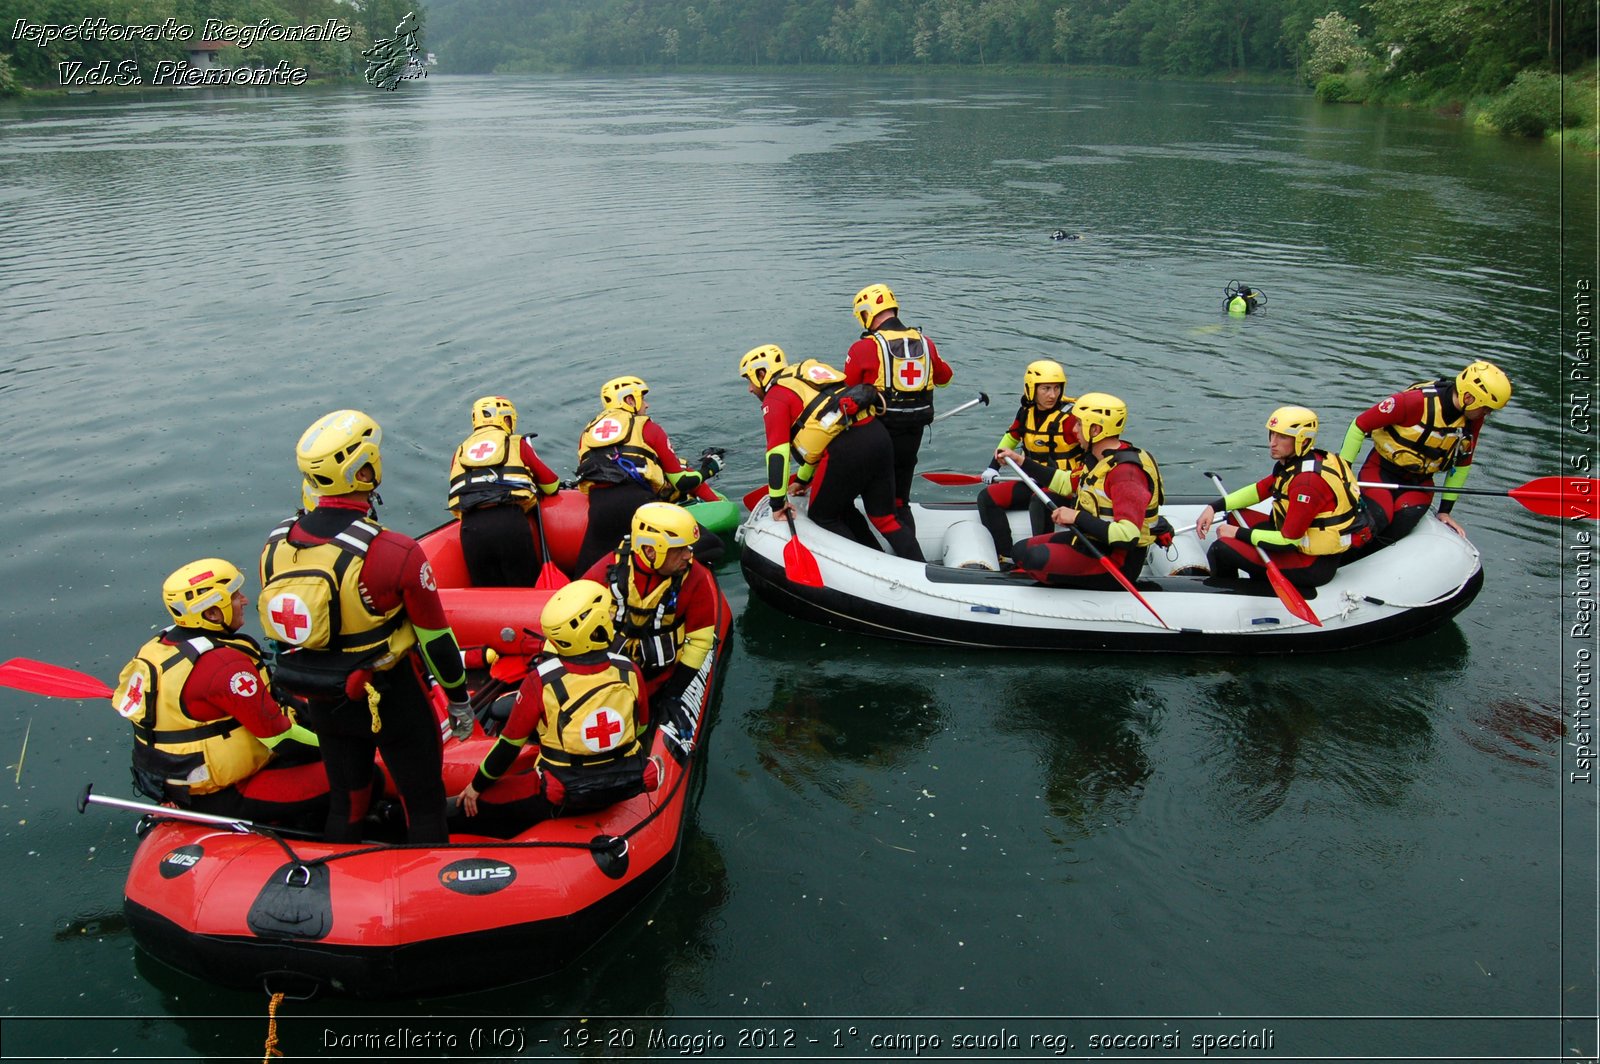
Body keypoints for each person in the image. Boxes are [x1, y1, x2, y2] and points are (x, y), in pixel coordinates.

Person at [259, 409, 473, 845]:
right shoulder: (394, 551)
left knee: (348, 798)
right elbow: (436, 639)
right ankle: (424, 893)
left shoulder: (275, 545)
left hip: (323, 699)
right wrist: (459, 701)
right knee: (425, 804)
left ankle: (335, 882)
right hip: (392, 698)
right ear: (364, 468)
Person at [111, 559, 328, 829]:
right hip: (222, 793)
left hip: (178, 783)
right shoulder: (223, 665)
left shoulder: (157, 648)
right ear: (213, 613)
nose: (245, 601)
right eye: (236, 596)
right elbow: (282, 738)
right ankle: (339, 838)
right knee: (363, 775)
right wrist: (342, 748)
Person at [452, 580, 654, 839]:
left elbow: (508, 747)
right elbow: (642, 728)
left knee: (467, 805)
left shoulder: (541, 680)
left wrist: (476, 786)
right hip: (623, 784)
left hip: (563, 791)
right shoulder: (629, 670)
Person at [739, 343, 924, 561]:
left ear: (762, 373)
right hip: (878, 437)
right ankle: (918, 567)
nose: (750, 388)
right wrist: (802, 479)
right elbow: (820, 434)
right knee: (885, 518)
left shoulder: (776, 397)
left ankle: (869, 567)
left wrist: (778, 503)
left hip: (846, 450)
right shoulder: (805, 377)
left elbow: (777, 453)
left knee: (823, 515)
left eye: (749, 379)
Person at [1194, 406, 1372, 588]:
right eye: (1272, 434)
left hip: (1311, 564)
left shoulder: (1307, 483)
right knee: (1233, 517)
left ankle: (1231, 596)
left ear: (1302, 440)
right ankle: (1255, 579)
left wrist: (1236, 533)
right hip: (1296, 544)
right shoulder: (1296, 462)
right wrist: (1214, 507)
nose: (1272, 442)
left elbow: (1289, 540)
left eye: (1282, 437)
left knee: (1221, 549)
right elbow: (1259, 490)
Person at [1338, 360, 1512, 545]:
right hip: (1381, 470)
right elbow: (1359, 426)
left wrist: (1445, 510)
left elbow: (1463, 464)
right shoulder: (1413, 402)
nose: (1486, 414)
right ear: (1469, 398)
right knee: (1378, 516)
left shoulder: (1472, 420)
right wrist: (1343, 473)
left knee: (1406, 517)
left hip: (1420, 482)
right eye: (1486, 409)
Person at [582, 502, 722, 728]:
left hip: (660, 678)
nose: (689, 556)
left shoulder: (695, 578)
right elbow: (574, 614)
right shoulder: (611, 569)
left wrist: (673, 694)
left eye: (689, 548)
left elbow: (699, 642)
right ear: (650, 550)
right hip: (608, 674)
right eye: (680, 549)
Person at [1003, 392, 1164, 586]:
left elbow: (1127, 536)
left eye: (1079, 423)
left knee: (1034, 558)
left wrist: (1076, 517)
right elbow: (1064, 482)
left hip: (1116, 562)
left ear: (1095, 429)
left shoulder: (1126, 474)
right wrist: (1021, 461)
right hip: (1090, 541)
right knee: (1020, 550)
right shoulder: (1099, 458)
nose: (1074, 429)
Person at [573, 375, 726, 574]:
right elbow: (681, 481)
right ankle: (652, 575)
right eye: (642, 399)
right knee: (712, 546)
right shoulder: (648, 428)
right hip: (639, 504)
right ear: (629, 400)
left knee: (585, 574)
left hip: (599, 511)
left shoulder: (587, 433)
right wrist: (708, 469)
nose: (647, 405)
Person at [843, 283, 953, 528]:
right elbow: (944, 378)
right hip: (914, 433)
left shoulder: (864, 347)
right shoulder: (926, 343)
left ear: (866, 313)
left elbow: (847, 392)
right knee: (900, 501)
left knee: (865, 498)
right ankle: (907, 548)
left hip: (877, 436)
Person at [975, 359, 1084, 563]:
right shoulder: (1026, 412)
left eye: (1056, 388)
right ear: (1031, 389)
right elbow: (1011, 438)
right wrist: (993, 466)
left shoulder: (1072, 418)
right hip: (1035, 481)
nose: (1052, 395)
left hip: (1068, 487)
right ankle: (1006, 557)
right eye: (1046, 389)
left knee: (1038, 501)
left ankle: (1043, 560)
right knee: (987, 498)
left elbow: (1092, 451)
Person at [448, 395, 561, 587]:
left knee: (486, 593)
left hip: (471, 529)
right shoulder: (516, 443)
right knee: (525, 587)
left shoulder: (460, 451)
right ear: (506, 419)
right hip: (509, 523)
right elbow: (551, 485)